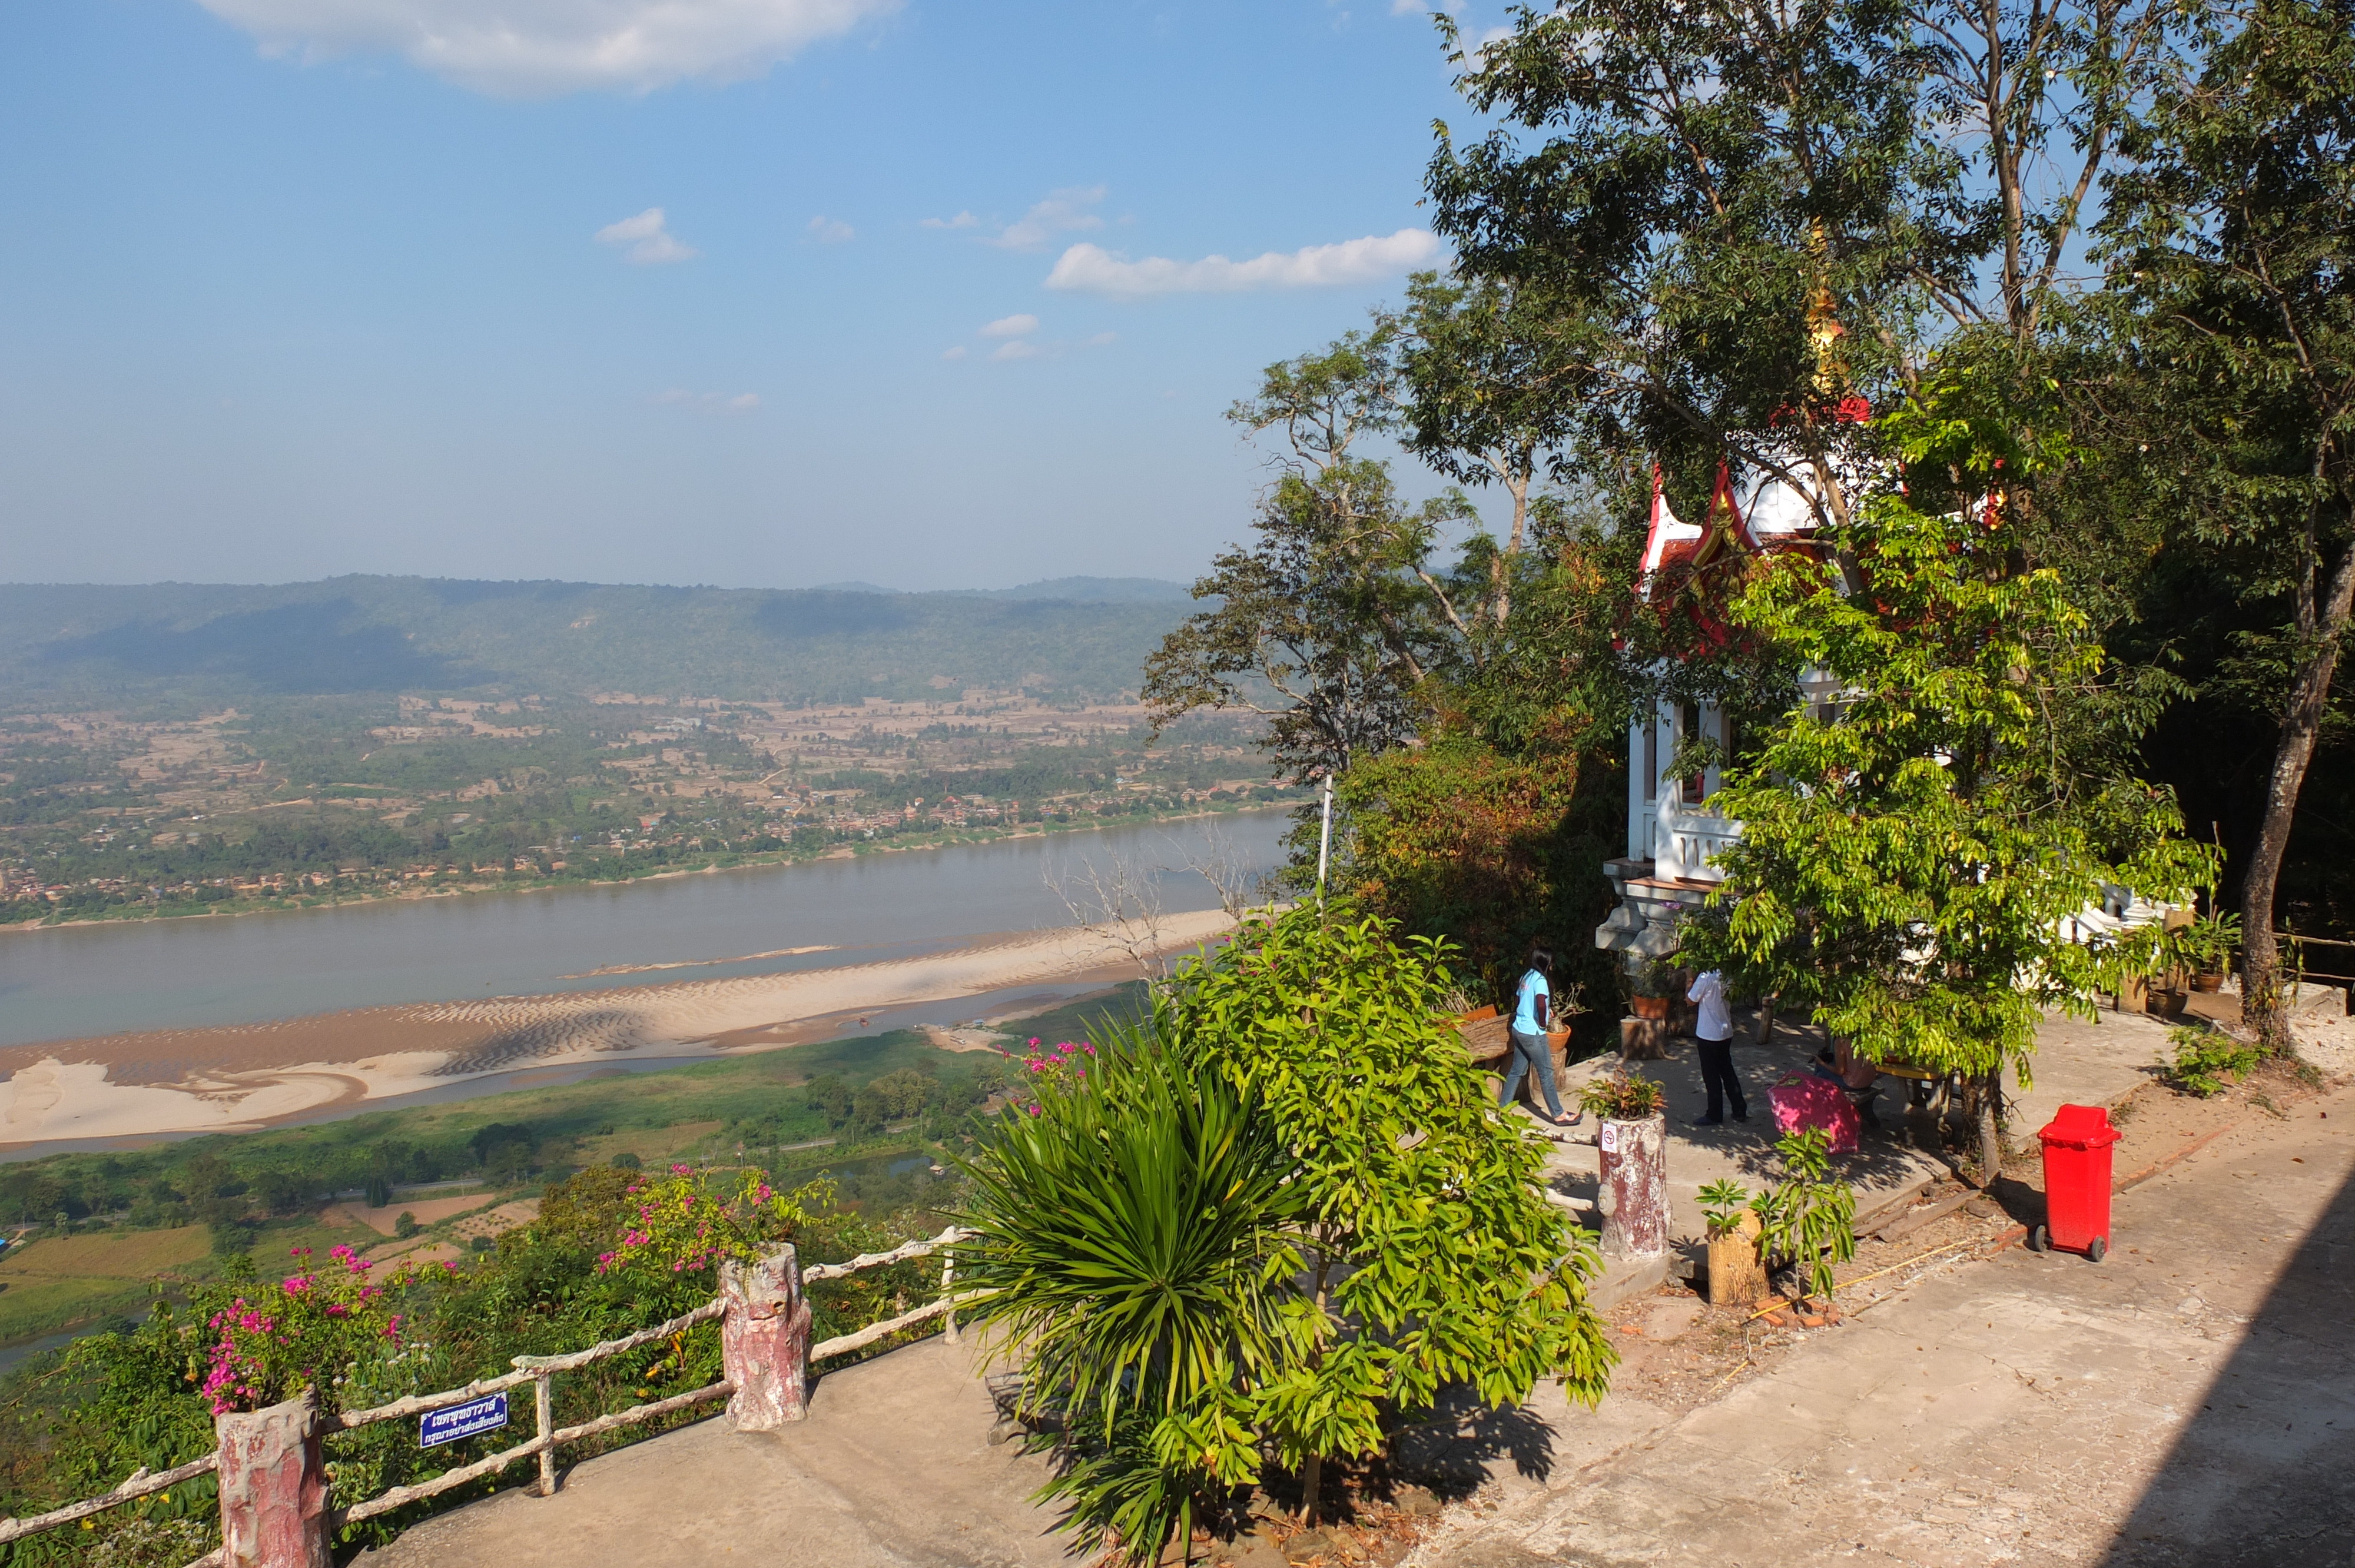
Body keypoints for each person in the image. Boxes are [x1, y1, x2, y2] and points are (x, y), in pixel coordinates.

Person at [1501, 946, 1579, 1128]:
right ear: (1546, 963)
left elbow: (1518, 1001)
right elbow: (1541, 1005)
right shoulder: (1540, 981)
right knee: (1546, 1074)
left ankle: (1502, 1109)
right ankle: (1559, 1115)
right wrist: (1544, 1022)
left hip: (1519, 1029)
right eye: (1551, 963)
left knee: (1517, 1071)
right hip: (1533, 1034)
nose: (1552, 966)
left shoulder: (1526, 977)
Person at [1687, 968, 1747, 1125]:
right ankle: (1739, 1109)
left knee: (1711, 1076)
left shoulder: (1705, 977)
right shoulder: (1729, 974)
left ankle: (1714, 1114)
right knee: (1727, 1071)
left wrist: (1689, 980)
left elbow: (1690, 1000)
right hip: (1725, 1032)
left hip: (1708, 1034)